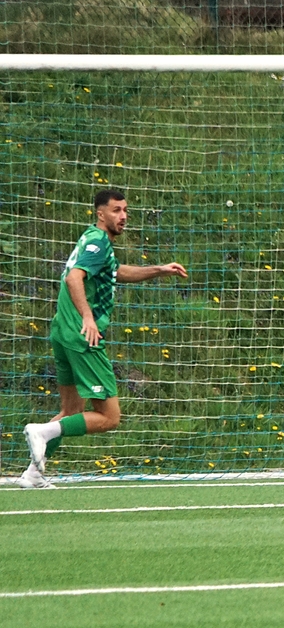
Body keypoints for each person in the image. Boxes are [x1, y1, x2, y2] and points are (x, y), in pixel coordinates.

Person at [20, 189, 188, 489]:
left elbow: (115, 272)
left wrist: (158, 270)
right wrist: (87, 317)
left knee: (71, 411)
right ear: (100, 213)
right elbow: (74, 277)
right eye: (116, 210)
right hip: (83, 336)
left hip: (63, 332)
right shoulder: (98, 242)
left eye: (125, 210)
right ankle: (41, 432)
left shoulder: (93, 240)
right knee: (109, 417)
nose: (123, 216)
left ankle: (32, 474)